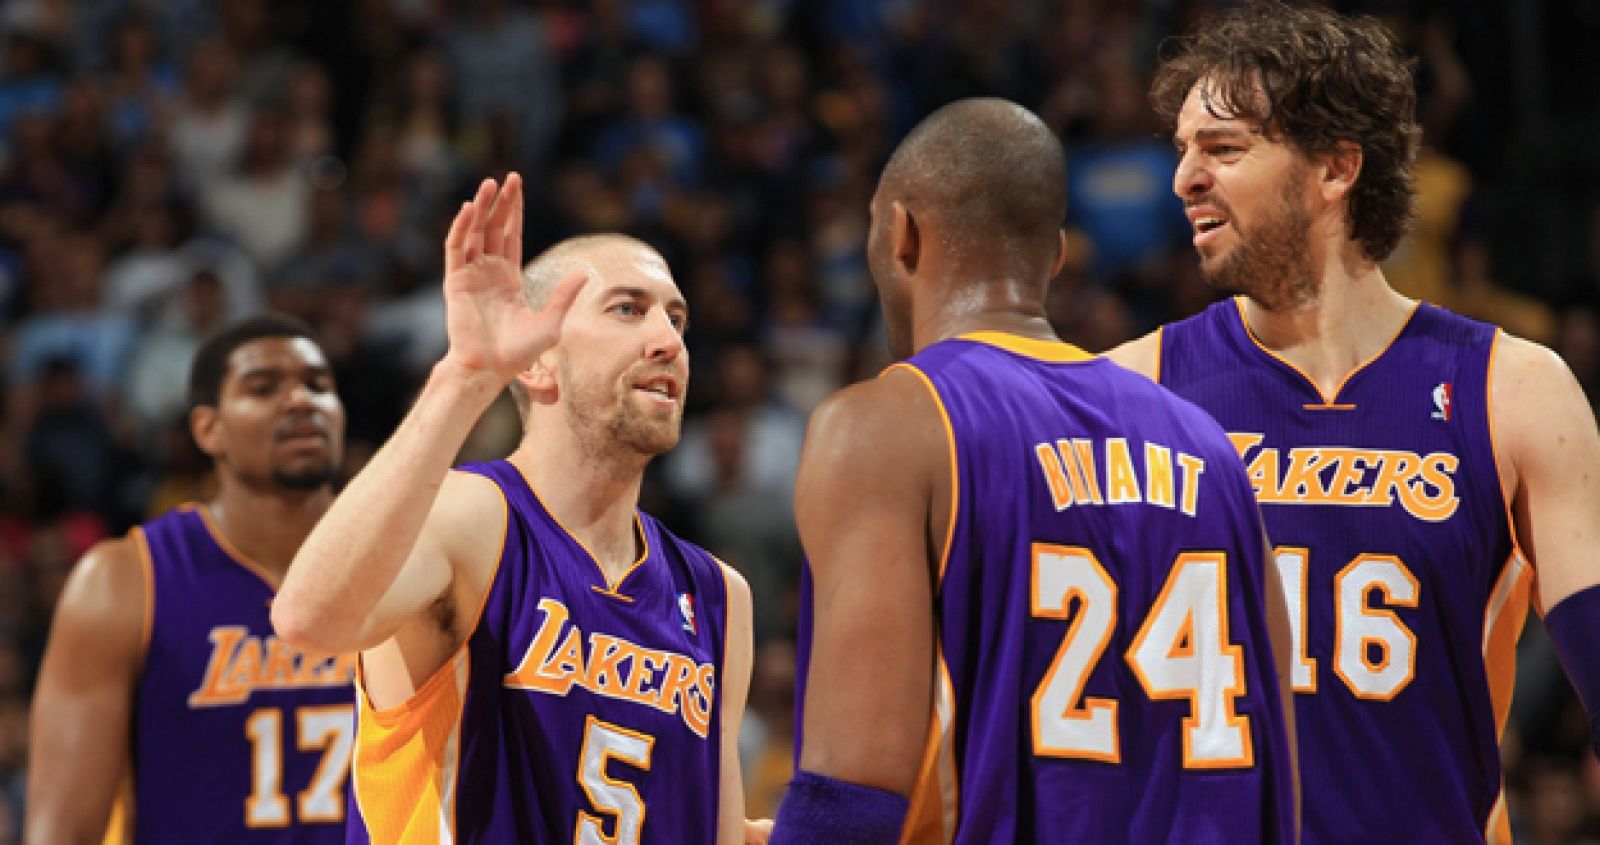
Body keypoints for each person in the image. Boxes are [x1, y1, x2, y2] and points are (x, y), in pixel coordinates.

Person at [1106, 4, 1600, 842]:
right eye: (1182, 149)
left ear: (1335, 169)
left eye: (1222, 148)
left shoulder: (1512, 389)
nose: (1186, 177)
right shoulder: (1127, 390)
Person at [772, 98, 1297, 844]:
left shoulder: (887, 426)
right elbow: (1281, 778)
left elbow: (851, 798)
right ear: (1053, 257)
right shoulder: (1212, 451)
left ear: (901, 233)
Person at [271, 174, 758, 843]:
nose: (667, 340)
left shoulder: (719, 595)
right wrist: (467, 375)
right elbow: (309, 617)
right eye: (627, 309)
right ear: (538, 362)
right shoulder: (474, 519)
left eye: (675, 318)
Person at [27, 315, 354, 843]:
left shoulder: (409, 562)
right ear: (208, 429)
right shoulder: (124, 581)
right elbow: (61, 830)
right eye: (263, 388)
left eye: (318, 385)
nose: (300, 401)